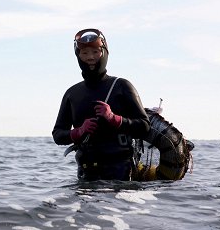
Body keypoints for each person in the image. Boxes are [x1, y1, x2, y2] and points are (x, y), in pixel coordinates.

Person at [53, 28, 150, 181]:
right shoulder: (72, 93)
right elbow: (58, 134)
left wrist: (115, 119)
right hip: (86, 175)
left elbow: (145, 126)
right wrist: (78, 132)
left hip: (121, 174)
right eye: (84, 53)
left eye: (95, 52)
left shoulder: (122, 86)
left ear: (104, 52)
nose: (90, 57)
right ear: (78, 56)